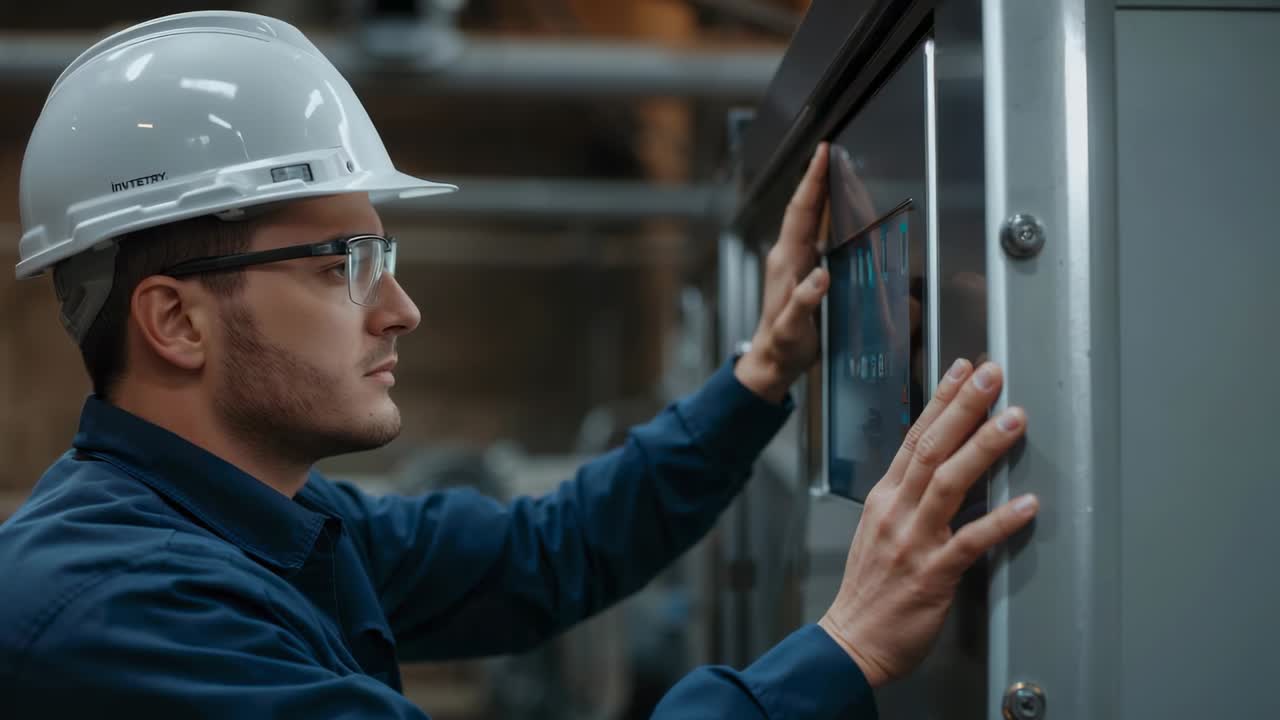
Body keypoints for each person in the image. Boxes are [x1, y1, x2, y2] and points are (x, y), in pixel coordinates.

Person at [0, 11, 1038, 718]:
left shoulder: (271, 524)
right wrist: (844, 649)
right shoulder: (112, 613)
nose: (400, 311)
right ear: (175, 322)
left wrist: (760, 373)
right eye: (343, 267)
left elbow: (545, 555)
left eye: (385, 261)